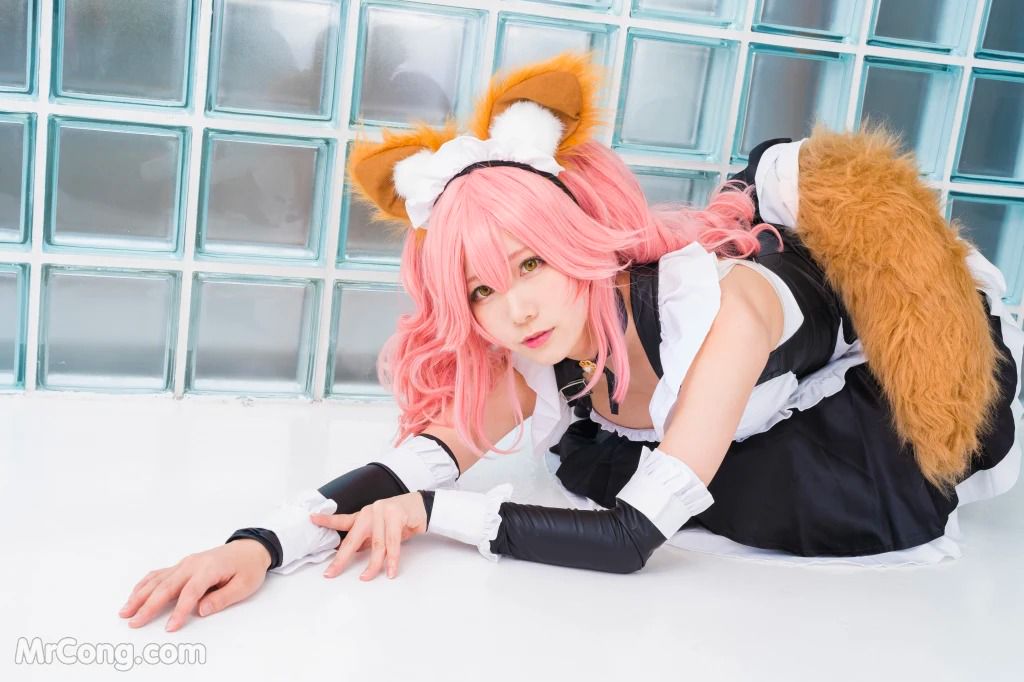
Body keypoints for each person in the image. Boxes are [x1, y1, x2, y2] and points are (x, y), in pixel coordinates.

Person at [119, 51, 1023, 632]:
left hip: (857, 411)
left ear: (574, 238)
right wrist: (258, 546)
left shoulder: (720, 316)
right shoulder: (552, 347)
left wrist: (436, 517)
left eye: (531, 263)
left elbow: (631, 540)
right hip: (718, 399)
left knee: (759, 492)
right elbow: (423, 457)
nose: (515, 310)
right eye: (481, 289)